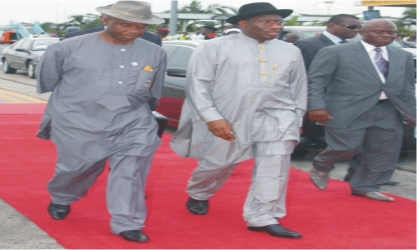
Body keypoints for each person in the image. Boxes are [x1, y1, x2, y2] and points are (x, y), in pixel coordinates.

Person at [170, 2, 306, 239]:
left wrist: (297, 117)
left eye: (278, 22)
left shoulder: (291, 50)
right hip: (229, 115)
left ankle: (262, 217)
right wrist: (212, 117)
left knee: (274, 168)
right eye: (266, 21)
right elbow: (198, 85)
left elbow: (298, 87)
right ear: (243, 23)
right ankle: (199, 192)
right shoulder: (213, 47)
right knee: (218, 162)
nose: (275, 26)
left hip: (278, 116)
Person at [36, 1, 166, 242]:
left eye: (140, 26)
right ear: (106, 19)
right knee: (78, 168)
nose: (133, 31)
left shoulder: (154, 52)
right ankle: (62, 196)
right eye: (126, 24)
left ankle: (127, 221)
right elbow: (49, 81)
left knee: (132, 171)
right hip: (79, 120)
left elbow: (151, 91)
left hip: (132, 121)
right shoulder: (65, 49)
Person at [307, 19, 415, 202]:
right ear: (362, 32)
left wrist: (412, 111)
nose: (387, 36)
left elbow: (407, 87)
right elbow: (316, 80)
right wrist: (316, 106)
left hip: (388, 109)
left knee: (383, 150)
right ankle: (322, 164)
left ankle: (365, 186)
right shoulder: (336, 52)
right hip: (347, 108)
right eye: (380, 32)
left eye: (391, 32)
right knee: (347, 146)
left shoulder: (402, 55)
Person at [293, 14, 378, 184]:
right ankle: (323, 165)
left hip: (358, 103)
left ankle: (359, 175)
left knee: (364, 141)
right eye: (351, 27)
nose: (357, 31)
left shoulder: (357, 47)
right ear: (332, 26)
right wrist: (313, 104)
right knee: (343, 143)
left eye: (358, 28)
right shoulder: (308, 45)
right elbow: (303, 77)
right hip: (323, 103)